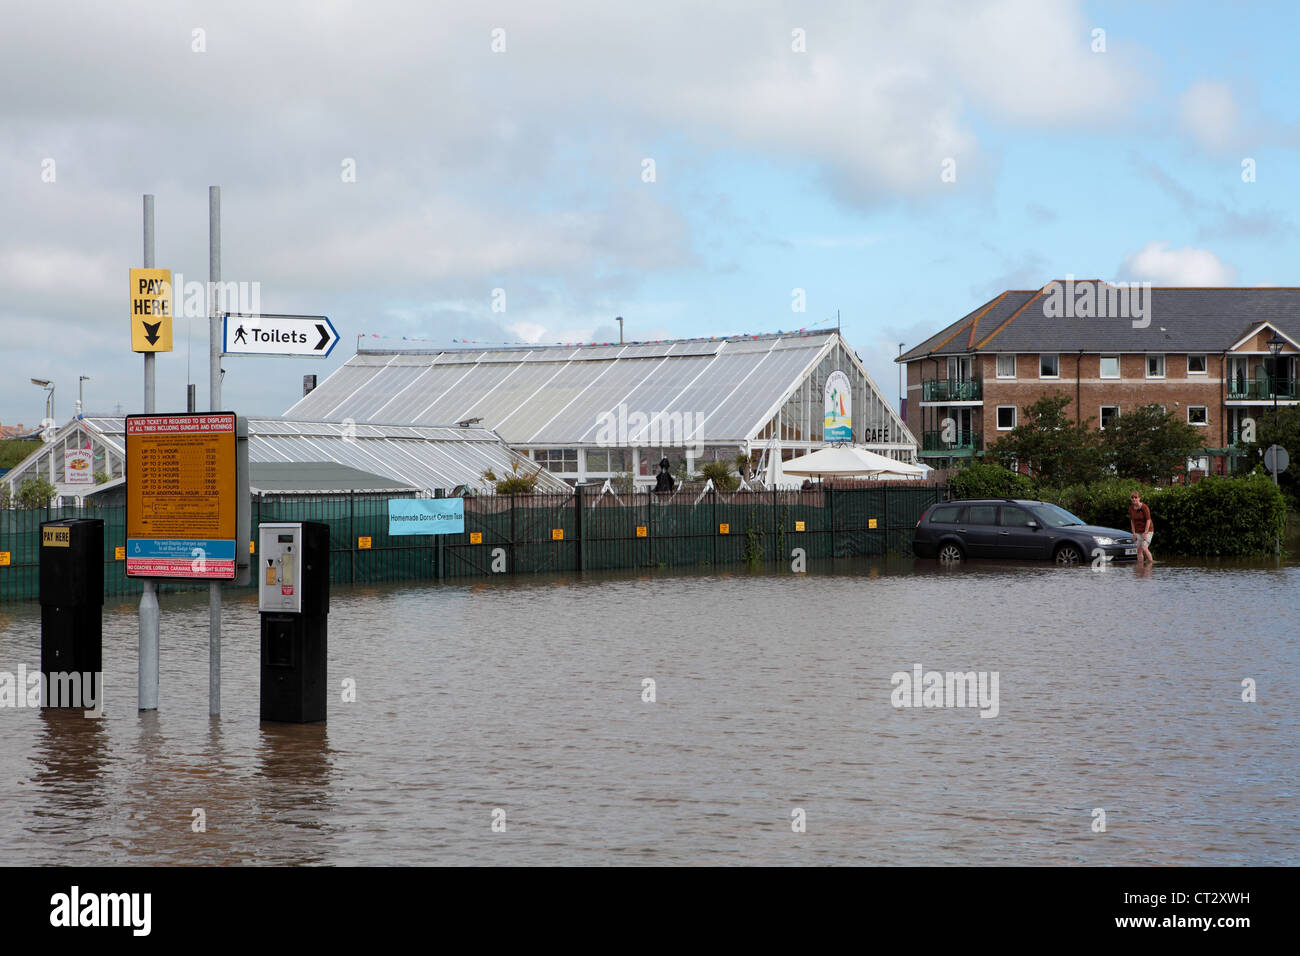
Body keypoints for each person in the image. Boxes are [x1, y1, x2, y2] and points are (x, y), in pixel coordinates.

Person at [1128, 491, 1154, 565]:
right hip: (1138, 531)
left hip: (1148, 530)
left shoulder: (1144, 507)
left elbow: (1148, 520)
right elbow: (1132, 521)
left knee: (1144, 548)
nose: (1134, 499)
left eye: (1136, 497)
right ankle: (1140, 567)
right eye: (1132, 497)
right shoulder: (1131, 508)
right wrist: (1133, 533)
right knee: (1139, 550)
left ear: (1139, 498)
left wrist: (1145, 533)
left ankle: (1151, 565)